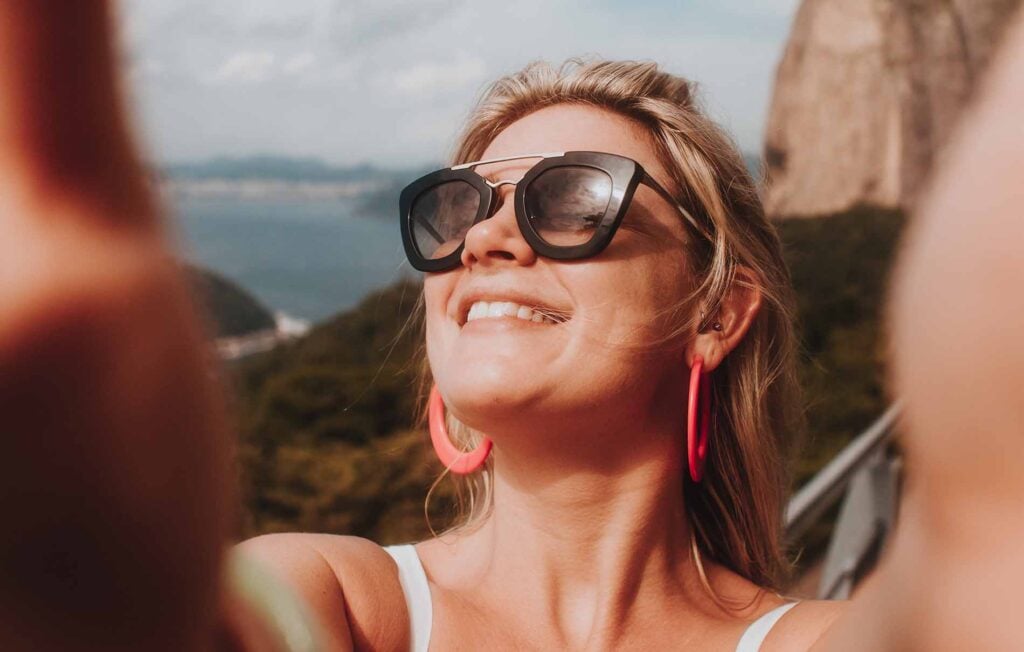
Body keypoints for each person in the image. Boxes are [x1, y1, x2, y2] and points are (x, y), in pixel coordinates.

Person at [1, 2, 1023, 651]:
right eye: (457, 207)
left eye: (573, 199)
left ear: (717, 312)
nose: (487, 237)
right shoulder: (339, 604)